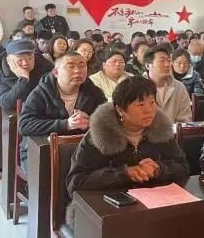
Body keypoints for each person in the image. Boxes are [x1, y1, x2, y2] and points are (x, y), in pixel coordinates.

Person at [65, 76, 190, 224]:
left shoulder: (161, 130)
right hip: (104, 213)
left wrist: (158, 169)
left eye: (152, 102)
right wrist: (124, 173)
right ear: (120, 110)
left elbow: (183, 168)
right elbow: (76, 182)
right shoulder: (99, 135)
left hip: (151, 208)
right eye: (140, 104)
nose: (149, 110)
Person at [18, 52, 106, 171]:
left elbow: (108, 120)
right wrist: (66, 124)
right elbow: (24, 125)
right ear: (56, 72)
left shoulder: (93, 91)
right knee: (51, 174)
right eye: (71, 66)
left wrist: (89, 121)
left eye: (82, 66)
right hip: (41, 150)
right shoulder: (41, 92)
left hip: (80, 150)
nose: (77, 71)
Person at [0, 39, 53, 112]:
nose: (25, 63)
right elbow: (7, 103)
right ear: (9, 61)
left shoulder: (45, 67)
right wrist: (23, 79)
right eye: (20, 60)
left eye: (30, 58)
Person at [143, 45, 192, 123]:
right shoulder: (138, 88)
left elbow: (185, 118)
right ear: (148, 65)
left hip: (174, 130)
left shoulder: (179, 87)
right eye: (162, 61)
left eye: (168, 61)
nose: (167, 64)